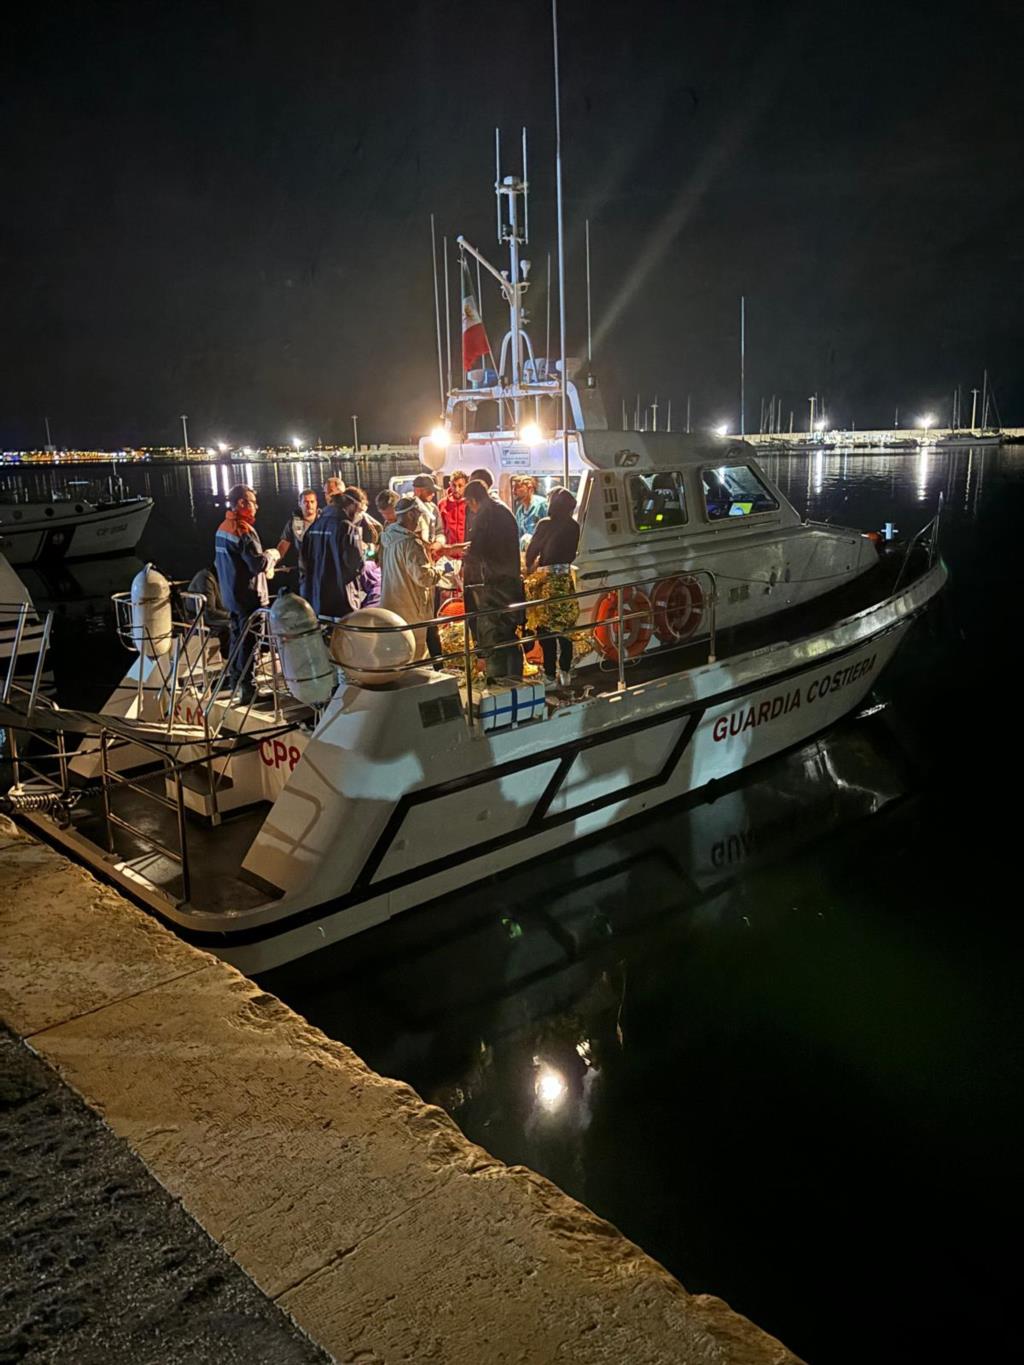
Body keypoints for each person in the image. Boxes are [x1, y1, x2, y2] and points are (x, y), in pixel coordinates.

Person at [214, 484, 278, 703]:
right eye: (252, 502)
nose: (256, 507)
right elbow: (256, 564)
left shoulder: (222, 528)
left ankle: (235, 683)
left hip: (230, 596)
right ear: (241, 503)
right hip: (248, 596)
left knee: (236, 640)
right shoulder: (242, 530)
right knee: (249, 642)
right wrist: (271, 556)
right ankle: (248, 689)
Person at [463, 478, 524, 682]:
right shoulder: (503, 509)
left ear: (472, 500)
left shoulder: (485, 514)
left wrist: (461, 555)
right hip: (512, 580)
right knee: (509, 634)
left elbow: (476, 550)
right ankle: (515, 680)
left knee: (493, 634)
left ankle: (498, 682)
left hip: (495, 584)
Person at [525, 486, 580, 685]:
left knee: (545, 629)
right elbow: (572, 554)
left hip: (546, 583)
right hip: (565, 581)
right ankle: (565, 671)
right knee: (565, 628)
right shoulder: (574, 527)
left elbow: (531, 552)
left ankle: (549, 674)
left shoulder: (545, 524)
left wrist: (531, 566)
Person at [379, 496, 445, 661]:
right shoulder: (410, 543)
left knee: (397, 657)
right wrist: (442, 569)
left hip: (392, 608)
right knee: (415, 658)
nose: (419, 519)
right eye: (417, 515)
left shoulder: (388, 537)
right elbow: (424, 578)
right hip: (412, 611)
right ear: (410, 515)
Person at [302, 491, 365, 620]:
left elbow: (304, 563)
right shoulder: (347, 528)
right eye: (359, 509)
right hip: (342, 601)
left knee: (324, 638)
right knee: (344, 638)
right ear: (352, 505)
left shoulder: (314, 526)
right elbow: (355, 565)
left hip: (317, 599)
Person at [186, 564, 231, 660]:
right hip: (200, 619)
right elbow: (210, 612)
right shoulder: (206, 578)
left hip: (212, 616)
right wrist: (232, 615)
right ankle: (229, 662)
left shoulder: (221, 577)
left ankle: (240, 661)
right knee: (234, 626)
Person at [277, 487, 319, 565]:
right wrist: (270, 564)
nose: (309, 505)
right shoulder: (293, 523)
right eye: (306, 502)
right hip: (305, 569)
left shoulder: (325, 520)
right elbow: (283, 547)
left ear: (316, 503)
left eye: (312, 502)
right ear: (299, 503)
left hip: (325, 567)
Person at [411, 474, 445, 549]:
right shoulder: (408, 509)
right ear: (417, 490)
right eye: (429, 491)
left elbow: (439, 531)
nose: (433, 494)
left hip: (431, 554)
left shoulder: (433, 508)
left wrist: (438, 543)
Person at [439, 469, 468, 553]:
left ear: (466, 485)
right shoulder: (442, 504)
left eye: (460, 485)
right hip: (448, 553)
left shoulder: (470, 504)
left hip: (467, 553)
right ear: (450, 485)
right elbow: (440, 530)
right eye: (454, 485)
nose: (456, 489)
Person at [511, 475, 548, 541]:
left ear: (530, 488)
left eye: (518, 487)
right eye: (513, 487)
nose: (513, 490)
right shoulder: (520, 512)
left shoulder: (542, 505)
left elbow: (550, 531)